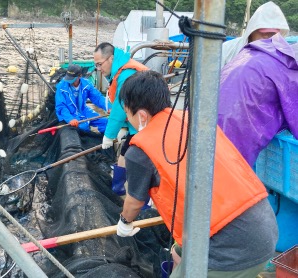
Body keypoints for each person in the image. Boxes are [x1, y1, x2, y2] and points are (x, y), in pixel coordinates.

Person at [116, 70, 278, 277]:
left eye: (127, 113)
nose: (128, 119)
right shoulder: (192, 120)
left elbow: (134, 201)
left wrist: (125, 223)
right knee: (177, 251)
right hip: (265, 226)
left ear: (141, 115)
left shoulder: (140, 151)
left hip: (233, 252)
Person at [218, 33, 298, 167]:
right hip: (238, 127)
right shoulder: (289, 73)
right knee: (230, 173)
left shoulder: (260, 53)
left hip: (210, 119)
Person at [93, 42, 148, 196]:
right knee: (124, 152)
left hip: (145, 125)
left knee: (139, 161)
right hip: (135, 124)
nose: (98, 69)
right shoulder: (120, 71)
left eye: (99, 64)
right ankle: (118, 186)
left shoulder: (126, 75)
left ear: (110, 58)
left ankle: (142, 200)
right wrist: (124, 127)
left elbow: (119, 107)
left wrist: (109, 135)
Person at [221, 1, 289, 67]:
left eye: (272, 34)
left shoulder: (281, 57)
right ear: (252, 31)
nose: (267, 37)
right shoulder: (228, 48)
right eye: (264, 33)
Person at [55, 64, 110, 134]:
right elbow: (61, 107)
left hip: (83, 110)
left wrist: (109, 107)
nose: (69, 81)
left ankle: (106, 140)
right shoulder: (61, 87)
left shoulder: (87, 84)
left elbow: (98, 98)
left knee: (105, 122)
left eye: (72, 78)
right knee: (83, 127)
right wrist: (70, 119)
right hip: (71, 113)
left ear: (80, 76)